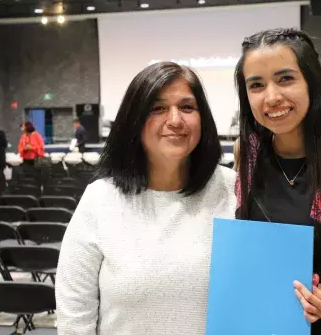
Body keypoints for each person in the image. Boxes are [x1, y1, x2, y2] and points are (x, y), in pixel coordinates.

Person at [56, 62, 236, 335]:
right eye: (157, 108)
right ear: (134, 120)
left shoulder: (235, 189)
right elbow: (74, 318)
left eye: (187, 107)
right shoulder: (100, 199)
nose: (175, 120)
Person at [234, 28, 321, 333]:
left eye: (285, 78)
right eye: (256, 85)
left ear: (311, 81)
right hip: (265, 322)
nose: (271, 97)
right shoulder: (248, 154)